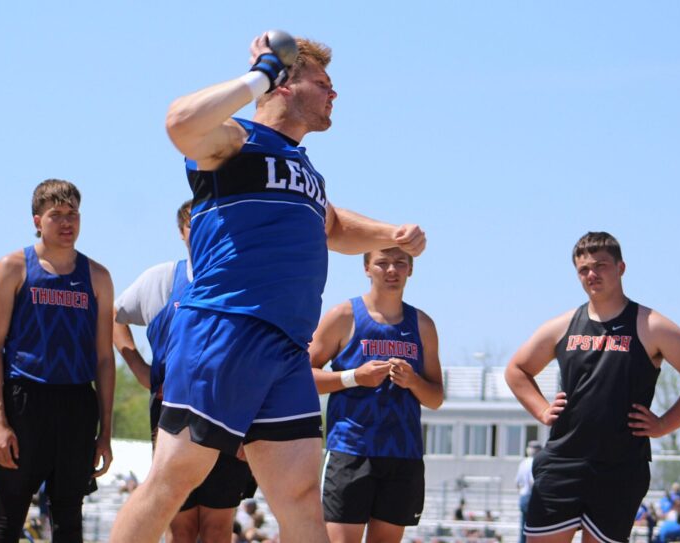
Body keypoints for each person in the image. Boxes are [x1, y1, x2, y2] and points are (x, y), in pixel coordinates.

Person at [109, 32, 425, 543]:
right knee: (173, 480)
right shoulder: (235, 141)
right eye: (322, 83)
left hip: (284, 348)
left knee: (300, 496)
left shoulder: (306, 170)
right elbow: (179, 123)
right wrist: (259, 73)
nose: (334, 95)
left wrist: (392, 234)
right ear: (285, 84)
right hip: (225, 329)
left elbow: (335, 226)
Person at [504, 231, 680, 543]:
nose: (591, 274)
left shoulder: (651, 325)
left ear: (621, 268)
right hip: (563, 461)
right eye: (583, 269)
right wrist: (541, 408)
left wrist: (664, 424)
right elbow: (516, 369)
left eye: (601, 265)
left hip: (620, 467)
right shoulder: (563, 325)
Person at [113, 200, 256, 543]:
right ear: (182, 232)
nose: (205, 232)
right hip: (172, 414)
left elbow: (255, 357)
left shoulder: (242, 281)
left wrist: (249, 425)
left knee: (217, 527)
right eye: (195, 225)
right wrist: (137, 365)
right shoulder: (162, 278)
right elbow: (112, 316)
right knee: (181, 526)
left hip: (228, 413)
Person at [0, 179, 115, 543]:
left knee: (69, 521)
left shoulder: (98, 277)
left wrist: (105, 431)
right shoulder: (13, 267)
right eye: (56, 215)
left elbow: (105, 359)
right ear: (37, 220)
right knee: (9, 518)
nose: (67, 222)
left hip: (76, 403)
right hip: (25, 401)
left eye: (73, 214)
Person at [309, 247, 442, 543]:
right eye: (382, 263)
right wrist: (354, 376)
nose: (392, 270)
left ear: (411, 269)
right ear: (367, 268)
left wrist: (413, 381)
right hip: (351, 449)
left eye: (400, 263)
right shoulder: (343, 315)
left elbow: (435, 398)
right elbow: (302, 376)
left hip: (403, 454)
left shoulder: (422, 325)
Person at [515, 440, 542, 543]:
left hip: (523, 496)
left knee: (523, 528)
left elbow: (517, 483)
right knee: (534, 529)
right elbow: (533, 482)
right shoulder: (535, 462)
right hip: (531, 497)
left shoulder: (523, 462)